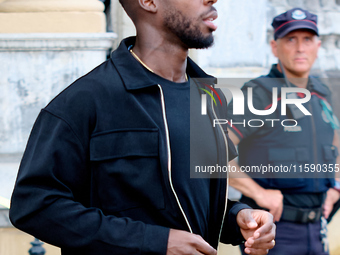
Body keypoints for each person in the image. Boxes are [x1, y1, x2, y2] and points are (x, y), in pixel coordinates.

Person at [9, 0, 276, 255]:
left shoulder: (208, 97)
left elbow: (191, 200)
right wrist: (155, 242)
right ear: (148, 1)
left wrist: (238, 217)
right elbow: (34, 206)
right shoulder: (85, 100)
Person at [227, 7, 340, 255]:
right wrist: (259, 193)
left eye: (307, 39)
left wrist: (336, 188)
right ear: (275, 47)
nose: (300, 48)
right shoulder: (258, 93)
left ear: (318, 46)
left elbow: (335, 144)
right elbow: (210, 152)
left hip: (317, 229)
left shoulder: (322, 93)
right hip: (273, 232)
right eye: (291, 39)